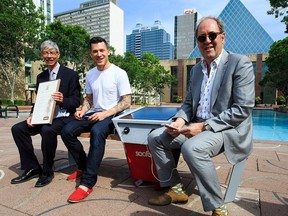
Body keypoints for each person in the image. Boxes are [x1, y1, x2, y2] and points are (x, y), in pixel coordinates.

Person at [147, 16, 255, 216]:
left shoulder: (240, 63)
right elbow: (188, 103)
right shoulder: (196, 69)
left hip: (227, 129)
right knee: (155, 137)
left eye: (212, 35)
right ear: (197, 42)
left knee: (192, 148)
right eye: (201, 38)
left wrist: (203, 126)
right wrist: (179, 121)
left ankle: (218, 207)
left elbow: (243, 108)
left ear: (222, 37)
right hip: (197, 125)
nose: (207, 41)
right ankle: (176, 189)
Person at [61, 36, 132, 203]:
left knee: (97, 131)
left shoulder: (119, 73)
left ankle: (87, 182)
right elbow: (89, 99)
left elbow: (126, 101)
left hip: (113, 114)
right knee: (66, 131)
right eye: (95, 51)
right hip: (95, 113)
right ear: (91, 54)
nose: (99, 54)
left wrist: (104, 114)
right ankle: (83, 166)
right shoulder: (90, 74)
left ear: (108, 52)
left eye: (102, 50)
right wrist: (82, 109)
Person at [11, 40, 81, 187]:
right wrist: (32, 115)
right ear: (42, 55)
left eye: (52, 52)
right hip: (43, 116)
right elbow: (39, 101)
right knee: (18, 129)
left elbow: (76, 101)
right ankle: (32, 167)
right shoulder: (41, 77)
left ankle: (47, 171)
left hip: (64, 116)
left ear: (58, 54)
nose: (49, 56)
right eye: (45, 53)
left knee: (47, 130)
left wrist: (63, 100)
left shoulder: (70, 74)